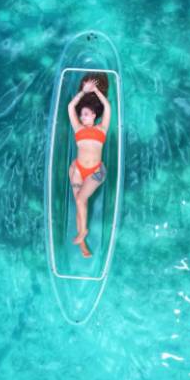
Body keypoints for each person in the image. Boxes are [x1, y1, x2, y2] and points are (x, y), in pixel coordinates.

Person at [67, 73, 111, 258]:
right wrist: (83, 92)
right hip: (78, 169)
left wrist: (96, 92)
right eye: (81, 115)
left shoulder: (102, 129)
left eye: (85, 114)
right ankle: (83, 244)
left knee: (79, 201)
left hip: (96, 171)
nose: (82, 117)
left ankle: (83, 232)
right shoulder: (77, 128)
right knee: (80, 204)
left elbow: (107, 107)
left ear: (93, 115)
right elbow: (71, 107)